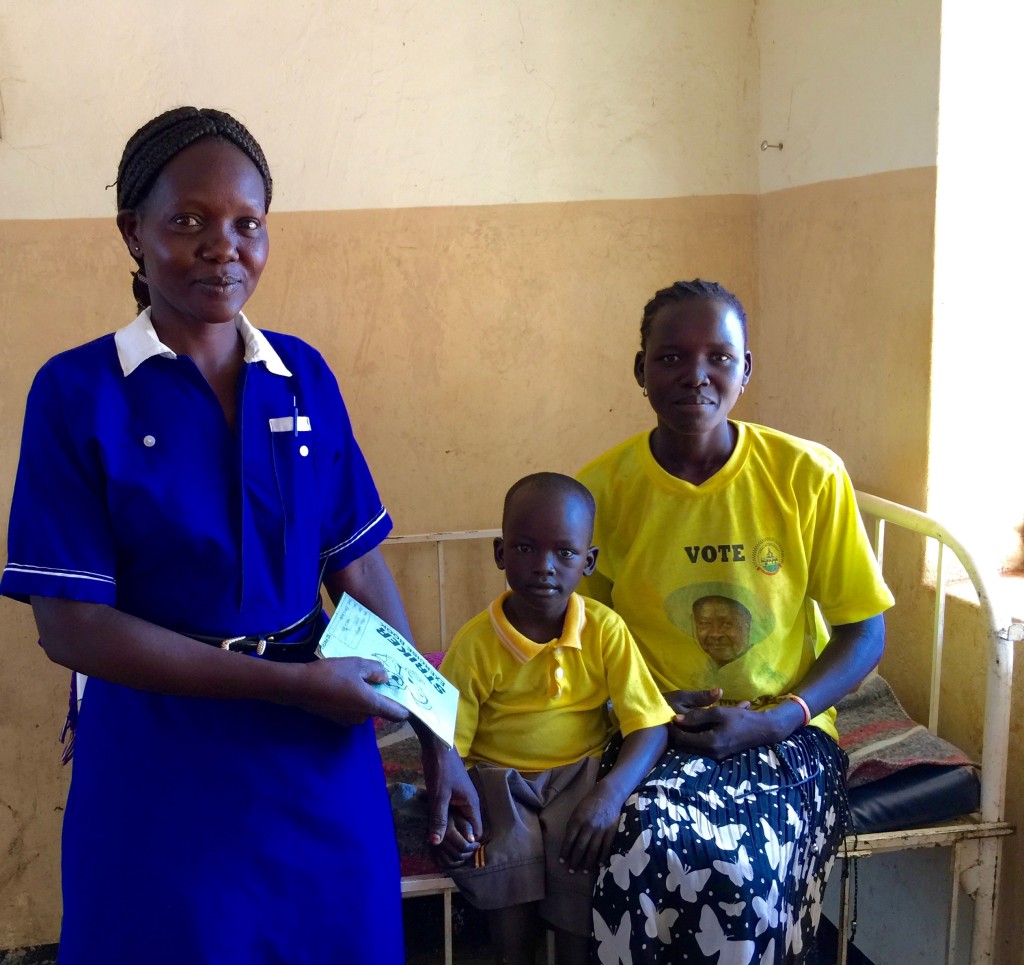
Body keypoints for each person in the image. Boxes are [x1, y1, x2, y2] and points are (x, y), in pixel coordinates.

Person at [0, 106, 479, 965]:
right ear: (132, 233)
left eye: (246, 223)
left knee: (343, 940)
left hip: (316, 764)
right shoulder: (77, 392)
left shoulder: (302, 375)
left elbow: (359, 568)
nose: (223, 245)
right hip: (161, 758)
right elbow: (69, 627)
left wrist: (437, 736)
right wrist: (290, 686)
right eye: (188, 220)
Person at [576, 279, 894, 964]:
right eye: (670, 358)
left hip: (784, 734)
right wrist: (647, 707)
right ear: (640, 371)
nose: (696, 375)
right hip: (651, 736)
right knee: (638, 842)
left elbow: (864, 630)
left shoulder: (807, 475)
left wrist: (781, 715)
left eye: (720, 357)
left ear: (746, 370)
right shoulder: (602, 489)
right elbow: (584, 640)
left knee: (742, 868)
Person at [436, 473, 673, 965]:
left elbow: (649, 724)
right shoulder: (475, 644)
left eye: (565, 553)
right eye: (525, 548)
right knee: (502, 849)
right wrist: (453, 806)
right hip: (499, 777)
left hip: (581, 773)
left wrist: (608, 795)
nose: (544, 567)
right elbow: (446, 744)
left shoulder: (605, 630)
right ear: (500, 553)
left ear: (588, 562)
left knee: (584, 853)